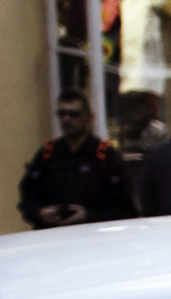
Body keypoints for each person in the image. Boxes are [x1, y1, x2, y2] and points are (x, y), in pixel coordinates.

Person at [18, 90, 133, 229]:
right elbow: (27, 198)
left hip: (92, 238)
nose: (67, 119)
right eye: (62, 114)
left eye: (74, 114)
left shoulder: (104, 154)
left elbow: (126, 209)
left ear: (89, 118)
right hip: (52, 237)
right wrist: (39, 212)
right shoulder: (48, 152)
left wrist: (88, 216)